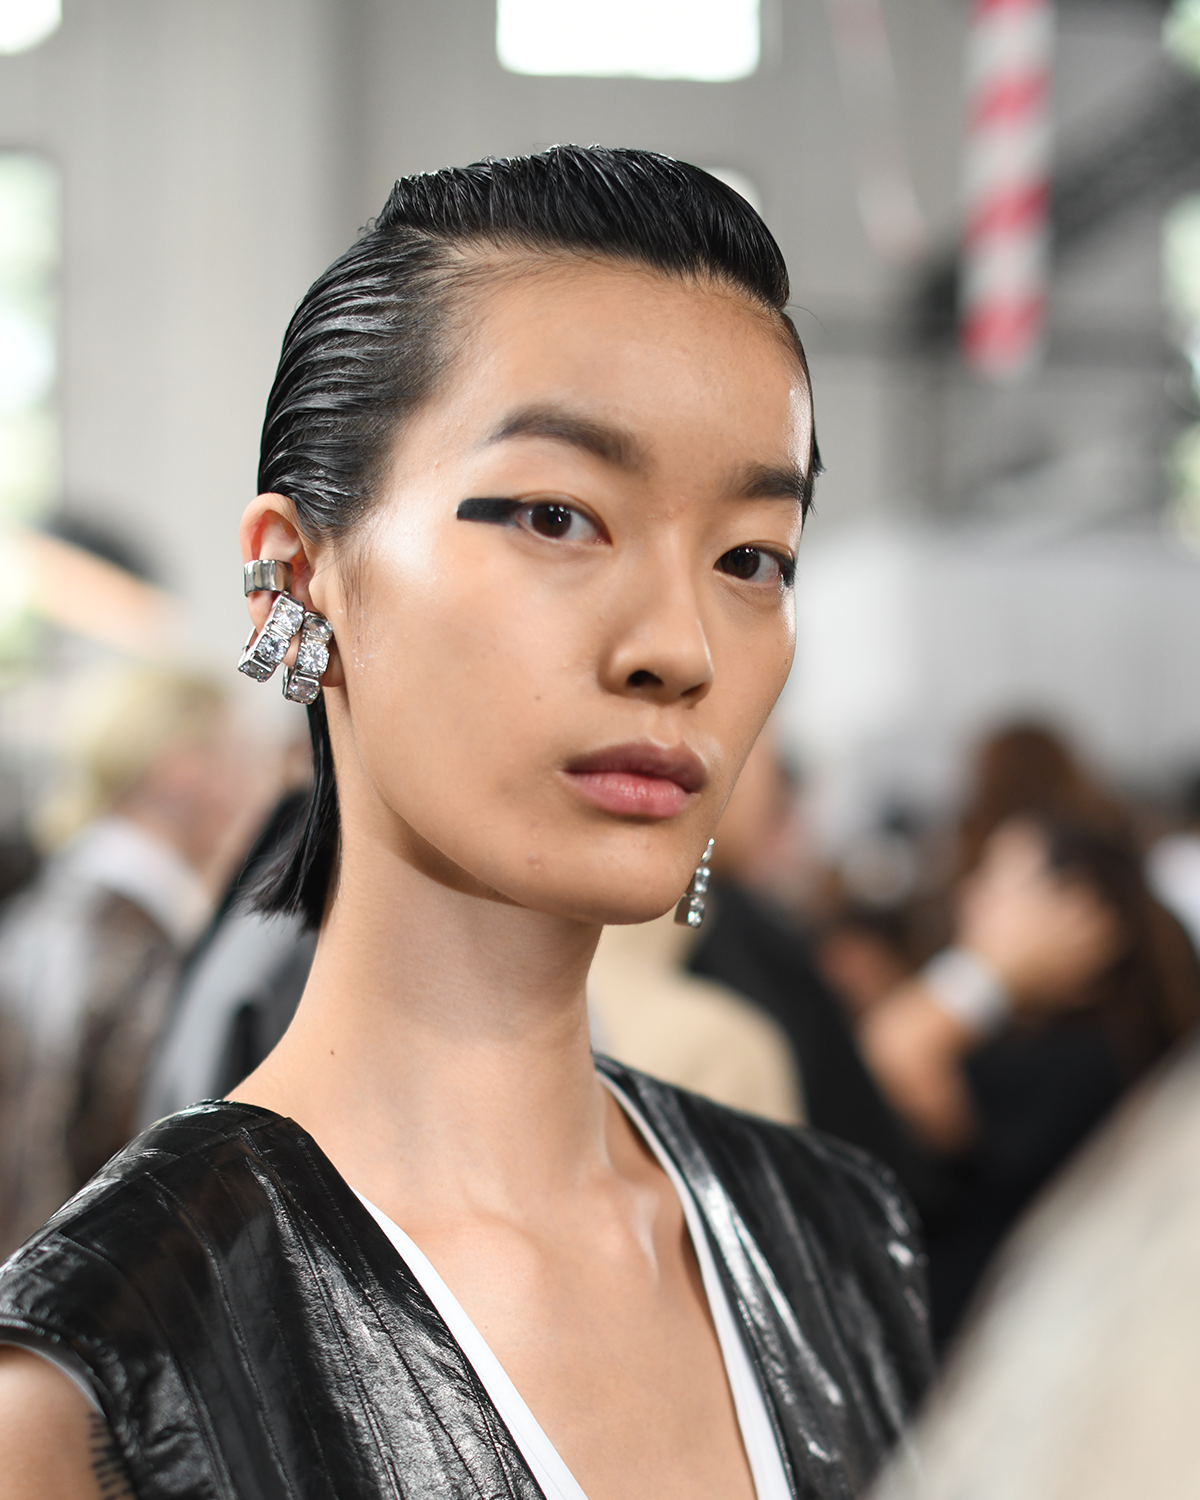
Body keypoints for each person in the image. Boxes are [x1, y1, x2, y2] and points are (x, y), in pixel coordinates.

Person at [0, 147, 930, 1499]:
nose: (678, 645)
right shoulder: (104, 1371)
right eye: (557, 515)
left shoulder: (837, 1239)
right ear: (293, 582)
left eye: (751, 558)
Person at [860, 810, 1200, 1343]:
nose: (969, 894)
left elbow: (890, 1055)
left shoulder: (1085, 1060)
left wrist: (989, 972)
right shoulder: (1033, 1039)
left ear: (1076, 913)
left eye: (997, 878)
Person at [0, 666, 252, 1254]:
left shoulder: (54, 903)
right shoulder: (138, 948)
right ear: (182, 771)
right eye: (237, 758)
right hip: (66, 1294)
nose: (250, 786)